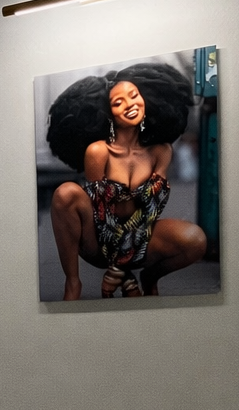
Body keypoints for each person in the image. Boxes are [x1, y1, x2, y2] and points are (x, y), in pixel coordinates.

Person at [46, 63, 206, 300]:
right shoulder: (98, 152)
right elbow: (103, 216)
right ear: (109, 113)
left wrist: (121, 270)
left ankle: (150, 277)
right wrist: (121, 271)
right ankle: (72, 283)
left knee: (195, 239)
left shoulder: (161, 151)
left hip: (141, 237)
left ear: (146, 100)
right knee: (65, 192)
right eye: (118, 102)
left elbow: (151, 212)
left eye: (134, 95)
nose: (130, 104)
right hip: (99, 242)